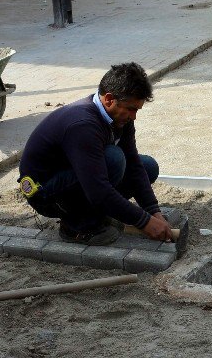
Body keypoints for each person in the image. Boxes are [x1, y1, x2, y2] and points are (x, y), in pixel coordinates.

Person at [18, 62, 173, 245]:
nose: (134, 116)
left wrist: (153, 211)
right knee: (114, 159)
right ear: (109, 99)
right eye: (131, 109)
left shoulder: (120, 117)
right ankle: (76, 225)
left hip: (79, 176)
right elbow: (97, 189)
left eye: (136, 110)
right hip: (46, 192)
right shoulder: (83, 125)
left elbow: (133, 163)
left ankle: (100, 211)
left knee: (147, 167)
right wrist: (144, 222)